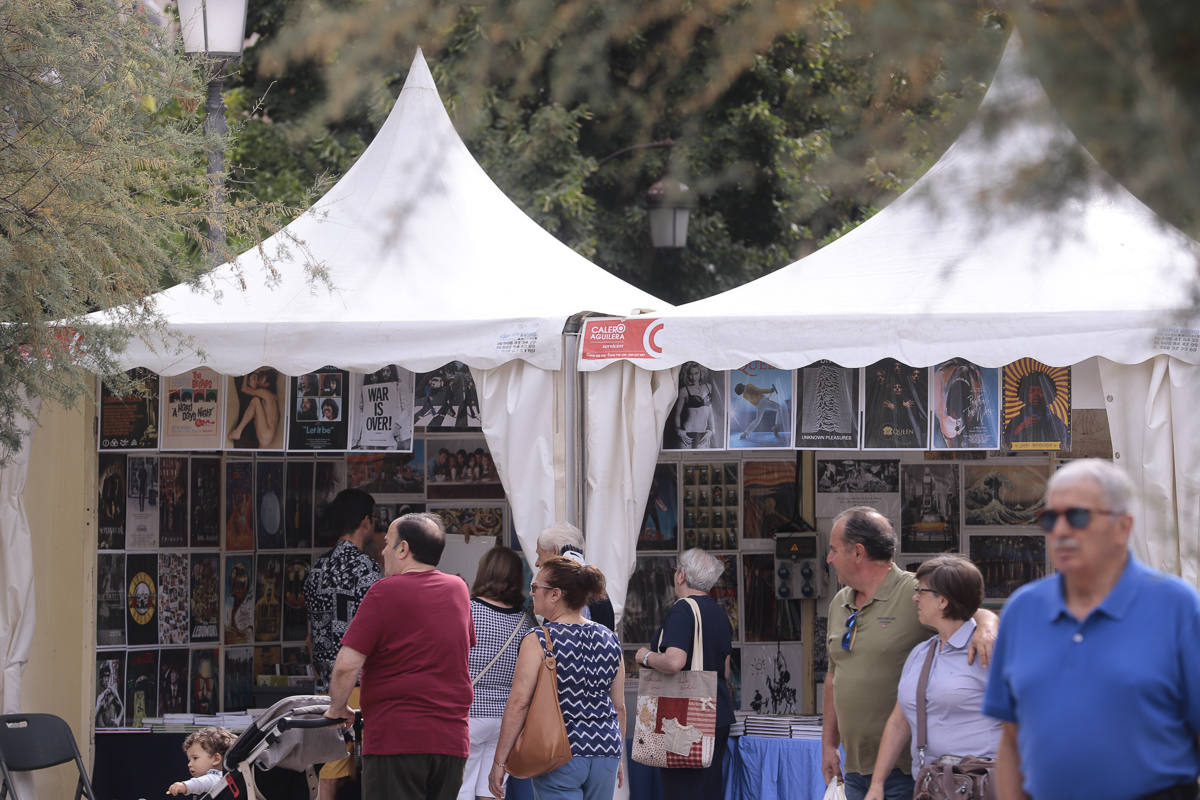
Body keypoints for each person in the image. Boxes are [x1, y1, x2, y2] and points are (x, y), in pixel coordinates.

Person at [983, 459, 1200, 800]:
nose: (1062, 531)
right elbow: (1011, 740)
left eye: (1078, 516)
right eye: (1051, 519)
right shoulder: (1023, 610)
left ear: (1123, 527)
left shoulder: (1177, 607)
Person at [822, 506, 997, 800]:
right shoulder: (839, 602)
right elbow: (833, 676)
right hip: (855, 767)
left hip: (906, 771)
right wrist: (829, 744)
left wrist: (988, 625)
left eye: (833, 550)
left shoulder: (913, 590)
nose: (828, 559)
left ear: (858, 552)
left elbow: (964, 607)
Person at [325, 512, 475, 800]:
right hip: (451, 740)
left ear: (403, 549)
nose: (382, 552)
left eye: (388, 544)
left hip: (397, 738)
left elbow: (347, 665)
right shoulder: (458, 589)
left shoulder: (384, 592)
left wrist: (337, 708)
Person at [864, 555, 1001, 800]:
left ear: (943, 601)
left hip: (982, 788)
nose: (915, 597)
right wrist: (877, 784)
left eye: (921, 591)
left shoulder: (989, 650)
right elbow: (899, 721)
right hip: (933, 788)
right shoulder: (921, 653)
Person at [488, 556, 625, 800]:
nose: (531, 593)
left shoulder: (539, 638)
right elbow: (619, 705)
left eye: (535, 587)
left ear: (555, 594)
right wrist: (619, 756)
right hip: (606, 748)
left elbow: (519, 703)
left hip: (559, 750)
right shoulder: (609, 637)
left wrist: (500, 762)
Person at [634, 548, 735, 800]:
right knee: (708, 791)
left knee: (680, 791)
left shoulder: (682, 610)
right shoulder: (719, 613)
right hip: (715, 714)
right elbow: (725, 669)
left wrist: (644, 656)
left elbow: (674, 661)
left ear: (681, 576)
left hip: (680, 719)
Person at [304, 488, 382, 800]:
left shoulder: (316, 570)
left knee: (329, 770)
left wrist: (324, 677)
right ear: (366, 521)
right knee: (371, 771)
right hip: (363, 683)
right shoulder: (367, 569)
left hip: (328, 687)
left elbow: (311, 636)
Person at [458, 547, 534, 800]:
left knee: (461, 790)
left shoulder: (466, 611)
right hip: (507, 721)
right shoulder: (527, 622)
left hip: (468, 715)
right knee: (492, 791)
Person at [536, 523, 615, 630]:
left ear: (555, 551)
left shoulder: (563, 589)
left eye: (540, 555)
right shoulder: (593, 583)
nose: (537, 563)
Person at [1003, 370, 1068, 446]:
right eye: (1032, 391)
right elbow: (1006, 443)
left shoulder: (1055, 421)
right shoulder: (1017, 421)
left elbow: (1065, 442)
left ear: (1046, 394)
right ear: (1026, 394)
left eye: (1040, 391)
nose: (1036, 394)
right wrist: (1021, 427)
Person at [166, 726, 237, 796]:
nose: (189, 764)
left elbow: (202, 782)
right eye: (189, 760)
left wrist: (185, 785)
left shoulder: (216, 777)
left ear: (216, 759)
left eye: (195, 758)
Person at [672, 362, 721, 448]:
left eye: (696, 373)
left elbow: (710, 411)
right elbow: (677, 414)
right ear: (687, 375)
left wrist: (712, 430)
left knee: (702, 460)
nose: (693, 377)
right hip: (687, 433)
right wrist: (678, 430)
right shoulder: (684, 390)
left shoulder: (708, 387)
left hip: (703, 434)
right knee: (683, 460)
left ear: (701, 373)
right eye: (690, 374)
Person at [228, 368, 280, 448]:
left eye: (262, 379)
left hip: (266, 434)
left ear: (267, 384)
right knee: (255, 404)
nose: (259, 379)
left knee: (255, 401)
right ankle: (238, 432)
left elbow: (244, 389)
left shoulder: (265, 393)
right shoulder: (271, 396)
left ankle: (238, 431)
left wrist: (246, 371)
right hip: (267, 435)